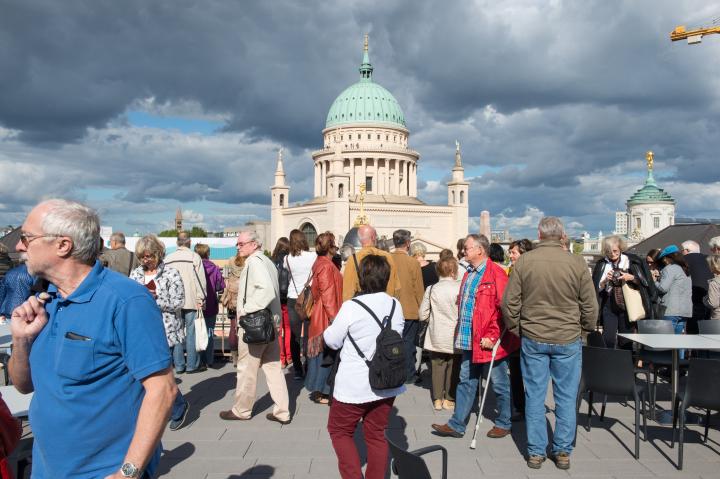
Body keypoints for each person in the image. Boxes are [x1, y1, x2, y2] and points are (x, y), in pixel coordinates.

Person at [9, 199, 175, 478]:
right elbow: (24, 385)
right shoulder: (45, 302)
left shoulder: (126, 300)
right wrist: (21, 340)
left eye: (26, 238)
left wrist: (128, 472)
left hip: (102, 471)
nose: (19, 246)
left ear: (63, 245)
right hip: (47, 469)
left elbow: (163, 390)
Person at [502, 217, 598, 470]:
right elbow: (590, 304)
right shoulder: (576, 262)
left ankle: (536, 452)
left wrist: (517, 328)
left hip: (533, 335)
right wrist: (584, 328)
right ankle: (562, 451)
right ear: (563, 235)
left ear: (539, 234)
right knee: (565, 397)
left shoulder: (525, 261)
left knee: (534, 395)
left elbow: (509, 303)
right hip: (567, 336)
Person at [324, 254, 405, 479]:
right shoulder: (394, 304)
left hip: (354, 383)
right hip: (386, 380)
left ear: (362, 278)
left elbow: (332, 340)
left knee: (340, 430)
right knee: (377, 434)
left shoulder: (352, 306)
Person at [432, 234, 519, 440]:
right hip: (469, 338)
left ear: (480, 250)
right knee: (466, 381)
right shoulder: (469, 273)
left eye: (468, 248)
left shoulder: (496, 274)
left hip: (488, 342)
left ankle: (504, 422)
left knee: (498, 383)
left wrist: (492, 334)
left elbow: (504, 308)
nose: (464, 251)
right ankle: (457, 424)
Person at [219, 231, 290, 424]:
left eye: (241, 243)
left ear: (253, 244)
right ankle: (282, 411)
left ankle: (242, 410)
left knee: (246, 369)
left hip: (255, 325)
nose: (238, 247)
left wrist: (246, 310)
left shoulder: (254, 262)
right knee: (273, 368)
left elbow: (265, 291)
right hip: (271, 325)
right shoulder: (267, 261)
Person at [130, 235, 189, 431]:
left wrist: (154, 299)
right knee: (147, 372)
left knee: (160, 372)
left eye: (148, 256)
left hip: (165, 329)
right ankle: (166, 407)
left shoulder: (171, 273)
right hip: (140, 329)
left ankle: (177, 406)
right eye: (142, 257)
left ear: (157, 254)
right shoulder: (136, 274)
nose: (145, 260)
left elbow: (179, 302)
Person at [591, 235, 656, 349]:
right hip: (608, 303)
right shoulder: (602, 264)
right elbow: (595, 287)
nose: (612, 254)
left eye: (615, 250)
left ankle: (626, 364)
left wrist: (630, 277)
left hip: (628, 303)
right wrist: (605, 280)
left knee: (626, 339)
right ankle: (609, 362)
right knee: (608, 338)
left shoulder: (632, 261)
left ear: (620, 248)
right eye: (608, 251)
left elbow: (645, 283)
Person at [419, 255, 461, 410]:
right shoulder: (460, 287)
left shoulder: (431, 289)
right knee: (453, 365)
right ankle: (450, 398)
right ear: (454, 271)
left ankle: (437, 399)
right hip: (455, 333)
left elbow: (422, 314)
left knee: (437, 365)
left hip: (436, 333)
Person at [306, 232, 342, 404]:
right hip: (325, 317)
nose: (336, 247)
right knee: (326, 355)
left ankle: (319, 389)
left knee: (321, 355)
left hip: (319, 314)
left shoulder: (320, 263)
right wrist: (335, 319)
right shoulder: (326, 266)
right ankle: (322, 391)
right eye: (334, 244)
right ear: (329, 247)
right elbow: (328, 295)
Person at [164, 232, 207, 374]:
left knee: (176, 333)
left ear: (177, 243)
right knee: (191, 333)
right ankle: (191, 365)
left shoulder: (168, 259)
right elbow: (200, 281)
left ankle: (179, 365)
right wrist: (201, 298)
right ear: (189, 242)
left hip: (173, 302)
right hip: (191, 300)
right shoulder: (194, 257)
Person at [391, 229, 425, 382]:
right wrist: (423, 310)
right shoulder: (413, 263)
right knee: (408, 343)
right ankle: (409, 375)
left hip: (390, 310)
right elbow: (418, 290)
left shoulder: (387, 259)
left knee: (392, 343)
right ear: (408, 243)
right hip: (410, 309)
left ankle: (393, 372)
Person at [506, 238, 534, 421]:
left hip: (525, 327)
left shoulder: (526, 272)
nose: (510, 255)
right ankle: (521, 406)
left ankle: (527, 408)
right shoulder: (511, 271)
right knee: (516, 370)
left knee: (527, 372)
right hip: (516, 329)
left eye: (513, 252)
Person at [284, 229, 317, 380]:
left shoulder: (287, 259)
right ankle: (309, 366)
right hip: (309, 298)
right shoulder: (313, 256)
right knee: (309, 334)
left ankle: (297, 369)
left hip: (293, 298)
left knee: (295, 336)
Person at [342, 224, 400, 301]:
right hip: (385, 306)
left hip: (363, 308)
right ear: (373, 237)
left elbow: (347, 293)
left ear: (360, 240)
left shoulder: (353, 260)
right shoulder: (387, 257)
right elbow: (397, 288)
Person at [195, 244, 225, 367]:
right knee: (210, 333)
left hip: (197, 305)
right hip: (212, 305)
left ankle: (199, 361)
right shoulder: (214, 267)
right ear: (208, 253)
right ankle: (209, 360)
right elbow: (220, 286)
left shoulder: (194, 267)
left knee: (197, 333)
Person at [655, 245, 692, 336]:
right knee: (679, 341)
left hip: (671, 310)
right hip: (685, 310)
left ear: (667, 258)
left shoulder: (670, 268)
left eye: (664, 259)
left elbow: (663, 288)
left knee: (667, 342)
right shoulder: (685, 269)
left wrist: (654, 281)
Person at [681, 240, 712, 334]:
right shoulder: (710, 259)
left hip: (693, 299)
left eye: (681, 250)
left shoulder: (683, 260)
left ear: (686, 250)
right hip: (710, 298)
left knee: (693, 330)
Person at [271, 237, 292, 368]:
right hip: (288, 297)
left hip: (276, 298)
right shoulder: (290, 260)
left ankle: (281, 358)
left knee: (278, 329)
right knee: (288, 328)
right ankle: (289, 356)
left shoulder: (271, 262)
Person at [222, 253, 245, 367]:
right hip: (244, 297)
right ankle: (244, 355)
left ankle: (234, 356)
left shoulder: (231, 260)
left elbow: (226, 276)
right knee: (244, 327)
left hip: (232, 297)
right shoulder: (248, 262)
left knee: (232, 327)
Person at [704, 255, 720, 320]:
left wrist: (704, 299)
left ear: (714, 266)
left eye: (709, 264)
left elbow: (713, 304)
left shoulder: (714, 283)